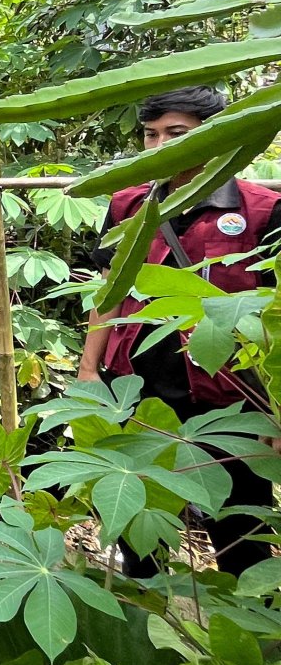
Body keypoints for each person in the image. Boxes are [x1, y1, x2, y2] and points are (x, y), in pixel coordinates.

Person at [78, 85, 281, 575]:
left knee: (239, 532)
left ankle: (249, 637)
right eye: (151, 135)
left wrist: (277, 412)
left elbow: (276, 316)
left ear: (212, 137)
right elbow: (109, 293)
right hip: (137, 392)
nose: (161, 145)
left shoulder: (261, 210)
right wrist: (88, 371)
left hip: (230, 396)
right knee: (137, 522)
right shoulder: (128, 205)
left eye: (177, 133)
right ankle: (146, 627)